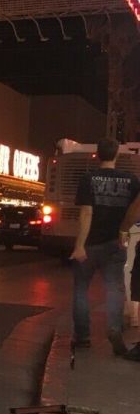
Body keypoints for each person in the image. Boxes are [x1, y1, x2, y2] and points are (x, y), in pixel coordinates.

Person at [70, 137, 139, 355]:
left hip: (90, 244)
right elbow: (135, 210)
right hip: (115, 242)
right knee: (114, 288)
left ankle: (82, 336)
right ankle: (114, 328)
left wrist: (79, 245)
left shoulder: (88, 179)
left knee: (81, 289)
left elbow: (86, 212)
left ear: (98, 155)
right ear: (117, 154)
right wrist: (125, 232)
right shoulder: (131, 180)